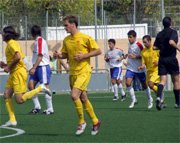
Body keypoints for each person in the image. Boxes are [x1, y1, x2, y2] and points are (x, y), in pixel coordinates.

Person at [53, 15, 102, 136]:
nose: (64, 27)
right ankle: (96, 121)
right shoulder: (66, 40)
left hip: (84, 71)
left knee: (74, 95)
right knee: (83, 98)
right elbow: (65, 54)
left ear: (73, 24)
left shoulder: (85, 38)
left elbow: (98, 51)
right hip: (72, 73)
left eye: (66, 25)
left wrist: (84, 56)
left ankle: (81, 122)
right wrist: (58, 55)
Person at [0, 26, 51, 126]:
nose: (1, 34)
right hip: (14, 73)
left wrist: (8, 67)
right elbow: (16, 59)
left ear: (7, 34)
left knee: (19, 100)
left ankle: (41, 88)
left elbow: (18, 57)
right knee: (6, 95)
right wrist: (5, 65)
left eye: (3, 33)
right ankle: (12, 120)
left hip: (18, 73)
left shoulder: (11, 44)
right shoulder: (10, 44)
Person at [153, 17, 180, 110]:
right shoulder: (173, 32)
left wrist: (162, 47)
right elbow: (171, 42)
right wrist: (178, 48)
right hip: (171, 59)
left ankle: (158, 98)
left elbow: (154, 47)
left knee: (162, 81)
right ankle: (177, 103)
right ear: (170, 23)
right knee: (176, 80)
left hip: (162, 59)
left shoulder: (159, 34)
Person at [28, 25, 54, 115]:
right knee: (30, 85)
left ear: (32, 33)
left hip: (42, 66)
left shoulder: (39, 40)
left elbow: (40, 55)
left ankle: (50, 109)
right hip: (37, 66)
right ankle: (37, 106)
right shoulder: (37, 41)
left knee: (45, 87)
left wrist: (33, 68)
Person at [125, 30, 153, 109]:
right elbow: (130, 53)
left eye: (130, 37)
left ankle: (150, 99)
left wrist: (135, 57)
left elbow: (144, 56)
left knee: (144, 85)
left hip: (139, 68)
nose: (129, 39)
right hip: (130, 68)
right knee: (127, 83)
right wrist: (126, 56)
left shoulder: (139, 45)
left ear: (134, 37)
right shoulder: (129, 44)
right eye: (128, 37)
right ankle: (134, 99)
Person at [138, 35, 166, 108]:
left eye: (145, 42)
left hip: (156, 70)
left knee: (150, 84)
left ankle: (161, 96)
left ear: (150, 41)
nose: (144, 44)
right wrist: (141, 66)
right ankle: (162, 99)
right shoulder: (143, 51)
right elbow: (144, 62)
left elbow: (164, 58)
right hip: (149, 72)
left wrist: (158, 62)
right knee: (151, 86)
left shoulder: (156, 49)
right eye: (143, 42)